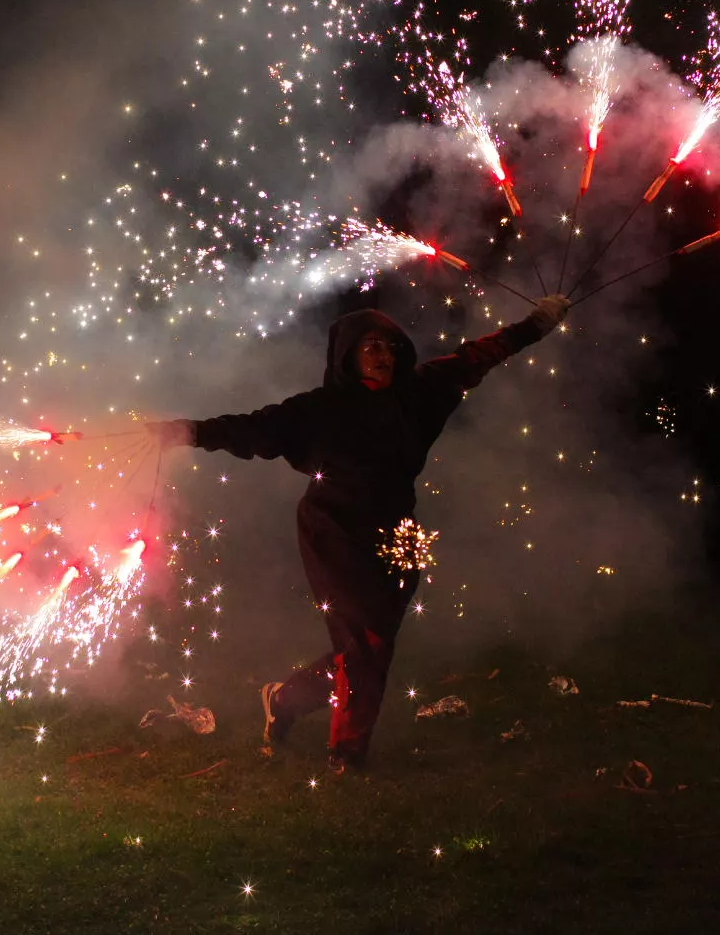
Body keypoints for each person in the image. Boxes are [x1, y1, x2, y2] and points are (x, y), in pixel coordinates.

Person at [146, 292, 571, 773]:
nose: (383, 354)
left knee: (371, 647)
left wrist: (537, 322)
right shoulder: (321, 409)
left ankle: (285, 700)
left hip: (398, 534)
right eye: (370, 346)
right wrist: (188, 432)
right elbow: (253, 428)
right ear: (348, 354)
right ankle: (347, 756)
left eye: (389, 345)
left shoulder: (420, 392)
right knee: (365, 643)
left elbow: (480, 355)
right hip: (335, 533)